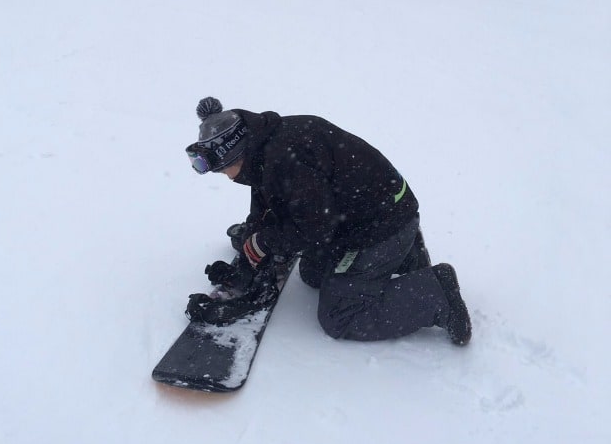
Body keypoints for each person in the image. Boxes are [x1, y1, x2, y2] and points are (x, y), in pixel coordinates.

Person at [184, 97, 472, 345]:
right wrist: (255, 237)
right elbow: (269, 204)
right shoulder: (266, 145)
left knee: (340, 315)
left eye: (225, 170)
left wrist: (266, 241)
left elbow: (315, 227)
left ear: (238, 152)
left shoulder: (287, 159)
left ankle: (435, 295)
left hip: (381, 227)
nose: (228, 177)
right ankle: (405, 256)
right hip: (369, 215)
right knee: (312, 273)